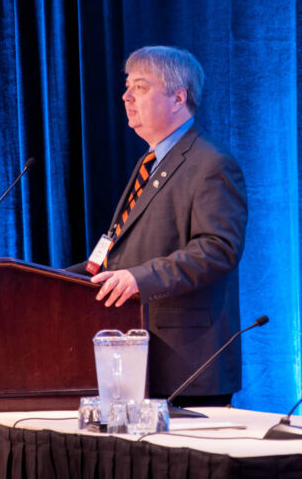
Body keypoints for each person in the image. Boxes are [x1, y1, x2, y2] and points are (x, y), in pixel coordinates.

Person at [68, 46, 247, 406]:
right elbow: (115, 252)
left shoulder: (211, 163)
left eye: (141, 87)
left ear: (178, 97)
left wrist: (140, 278)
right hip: (139, 360)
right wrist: (38, 278)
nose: (126, 96)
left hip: (187, 366)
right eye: (128, 85)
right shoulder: (148, 163)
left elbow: (217, 248)